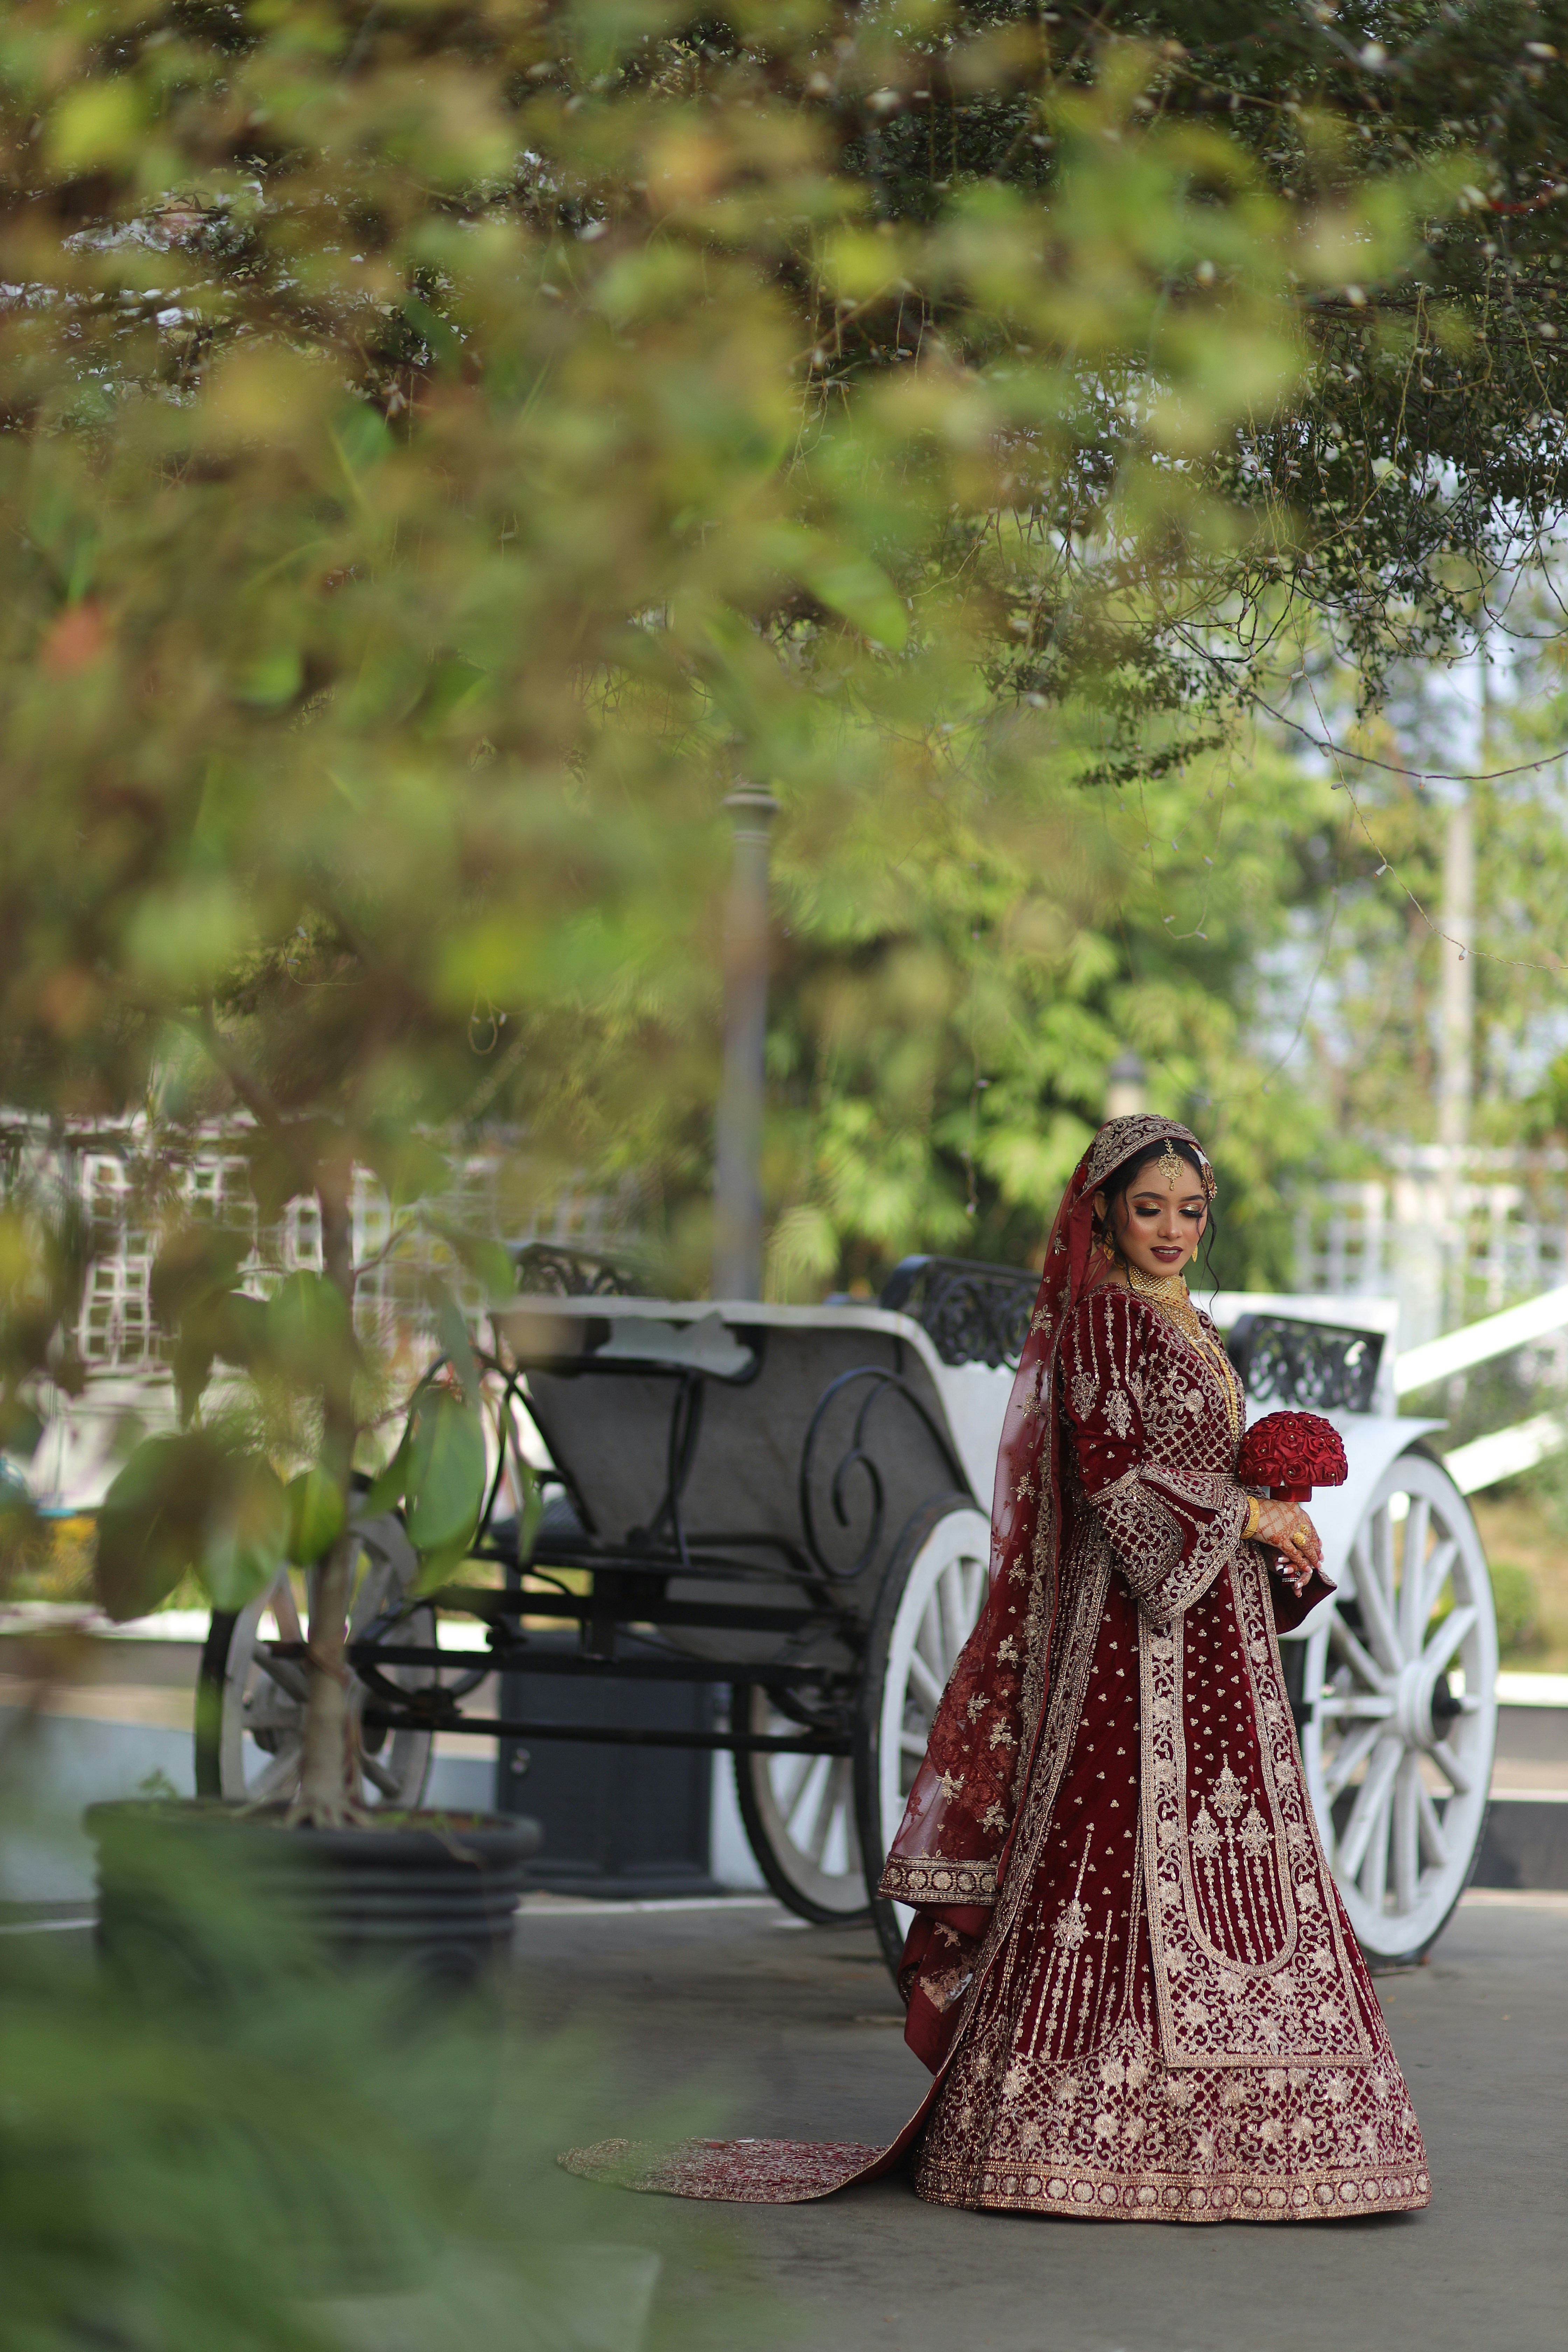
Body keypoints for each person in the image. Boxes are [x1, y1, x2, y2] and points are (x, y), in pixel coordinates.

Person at [562, 1115, 1431, 2220]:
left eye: (1190, 1211)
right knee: (1116, 1846)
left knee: (1238, 1855)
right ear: (1104, 1212)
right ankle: (1076, 2131)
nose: (1172, 1230)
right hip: (1130, 1641)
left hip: (1213, 1637)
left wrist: (1273, 1514)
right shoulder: (1106, 1322)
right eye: (1149, 1209)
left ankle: (1272, 2128)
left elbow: (1182, 1466)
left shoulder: (1186, 1319)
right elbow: (1115, 1482)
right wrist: (1249, 1515)